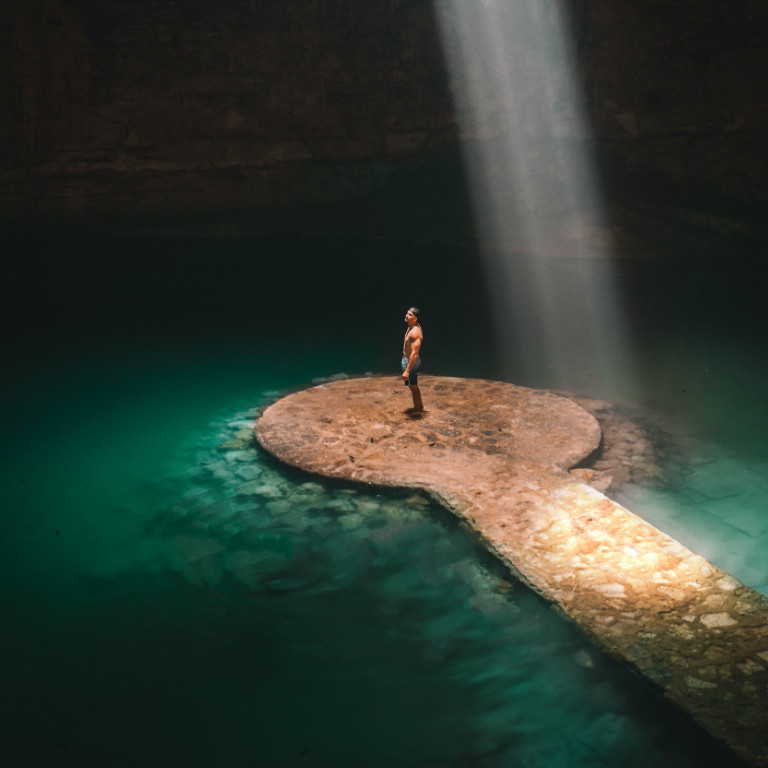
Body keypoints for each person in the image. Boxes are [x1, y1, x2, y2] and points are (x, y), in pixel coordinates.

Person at [401, 306, 424, 413]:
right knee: (412, 386)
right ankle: (420, 406)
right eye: (407, 313)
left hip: (411, 363)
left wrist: (407, 370)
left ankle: (417, 410)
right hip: (407, 360)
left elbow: (414, 354)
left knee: (413, 386)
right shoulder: (410, 327)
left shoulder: (415, 332)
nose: (407, 316)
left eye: (410, 315)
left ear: (416, 318)